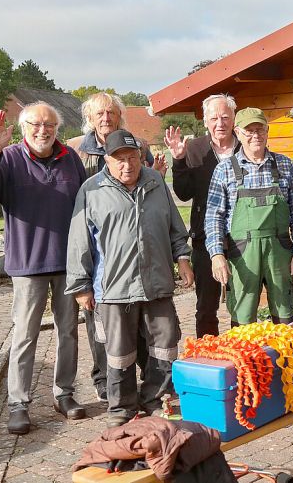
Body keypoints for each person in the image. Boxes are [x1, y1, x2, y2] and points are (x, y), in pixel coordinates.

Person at [0, 102, 89, 435]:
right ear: (23, 128)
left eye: (49, 125)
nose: (42, 130)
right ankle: (18, 404)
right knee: (24, 335)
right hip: (27, 265)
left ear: (57, 128)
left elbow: (86, 205)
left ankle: (64, 394)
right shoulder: (7, 159)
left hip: (69, 263)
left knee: (68, 332)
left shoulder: (71, 160)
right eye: (35, 124)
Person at [65, 129, 193, 427]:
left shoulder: (156, 180)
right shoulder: (91, 190)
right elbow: (78, 241)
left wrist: (183, 258)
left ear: (140, 157)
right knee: (119, 352)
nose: (127, 165)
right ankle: (121, 407)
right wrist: (81, 286)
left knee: (164, 344)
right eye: (119, 159)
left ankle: (157, 399)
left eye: (132, 157)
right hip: (114, 288)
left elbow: (175, 224)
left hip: (157, 283)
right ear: (107, 161)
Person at [67, 91, 165, 401]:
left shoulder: (139, 147)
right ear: (90, 119)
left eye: (111, 113)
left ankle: (147, 379)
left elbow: (148, 183)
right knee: (99, 316)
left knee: (138, 312)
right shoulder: (78, 153)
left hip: (131, 244)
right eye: (100, 114)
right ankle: (104, 379)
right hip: (96, 241)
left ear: (119, 116)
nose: (106, 118)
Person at [205, 108, 293, 324]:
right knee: (242, 322)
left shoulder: (284, 165)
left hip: (279, 253)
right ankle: (245, 358)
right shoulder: (224, 170)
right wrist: (217, 255)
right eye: (249, 130)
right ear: (238, 133)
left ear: (267, 131)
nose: (255, 135)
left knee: (285, 320)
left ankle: (284, 357)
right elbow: (213, 217)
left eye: (260, 129)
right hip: (242, 255)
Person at [165, 93, 240, 337]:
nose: (220, 123)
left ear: (234, 119)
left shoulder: (245, 145)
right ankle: (209, 359)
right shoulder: (195, 149)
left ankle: (243, 358)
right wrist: (178, 160)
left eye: (225, 117)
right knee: (206, 307)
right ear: (206, 121)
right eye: (214, 118)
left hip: (242, 236)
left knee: (242, 305)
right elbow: (184, 194)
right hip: (205, 238)